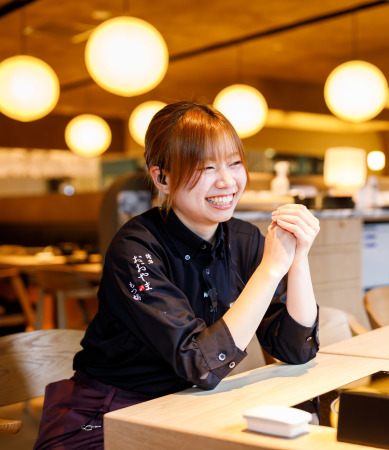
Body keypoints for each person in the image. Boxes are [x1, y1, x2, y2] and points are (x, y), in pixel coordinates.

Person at [34, 102, 320, 449]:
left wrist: (298, 256)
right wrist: (271, 269)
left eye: (234, 163)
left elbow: (295, 348)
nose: (227, 181)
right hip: (107, 415)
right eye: (207, 167)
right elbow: (199, 363)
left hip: (192, 407)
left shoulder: (242, 239)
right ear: (162, 178)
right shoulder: (134, 249)